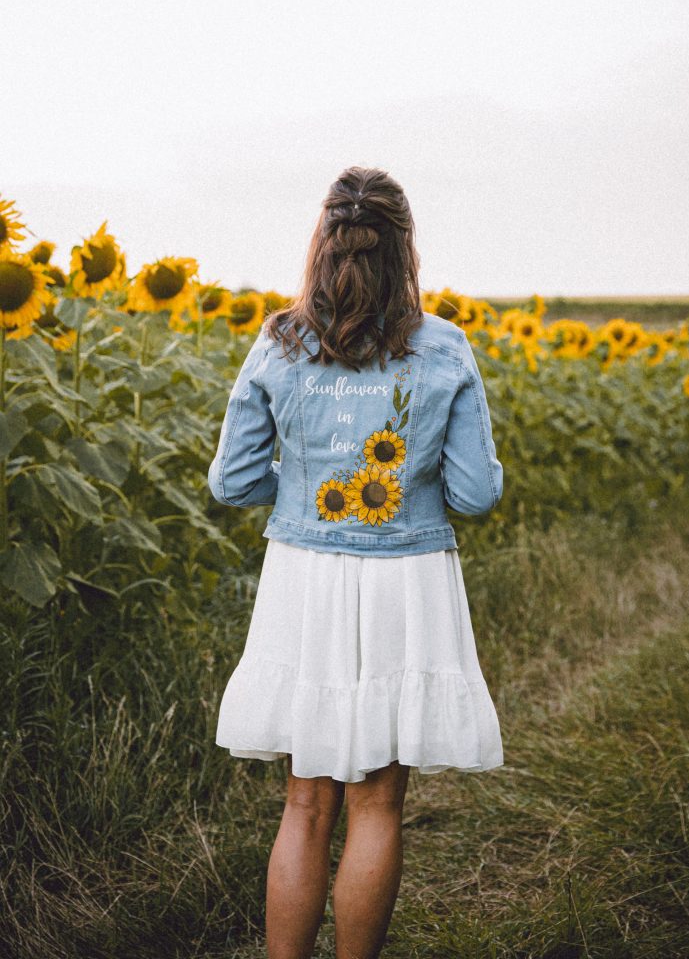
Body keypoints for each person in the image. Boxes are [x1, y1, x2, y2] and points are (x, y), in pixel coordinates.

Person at [208, 166, 505, 959]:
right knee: (377, 803)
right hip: (405, 582)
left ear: (323, 242)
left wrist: (309, 484)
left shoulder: (280, 341)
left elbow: (231, 481)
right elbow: (475, 494)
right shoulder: (444, 347)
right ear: (404, 247)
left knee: (305, 803)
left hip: (303, 580)